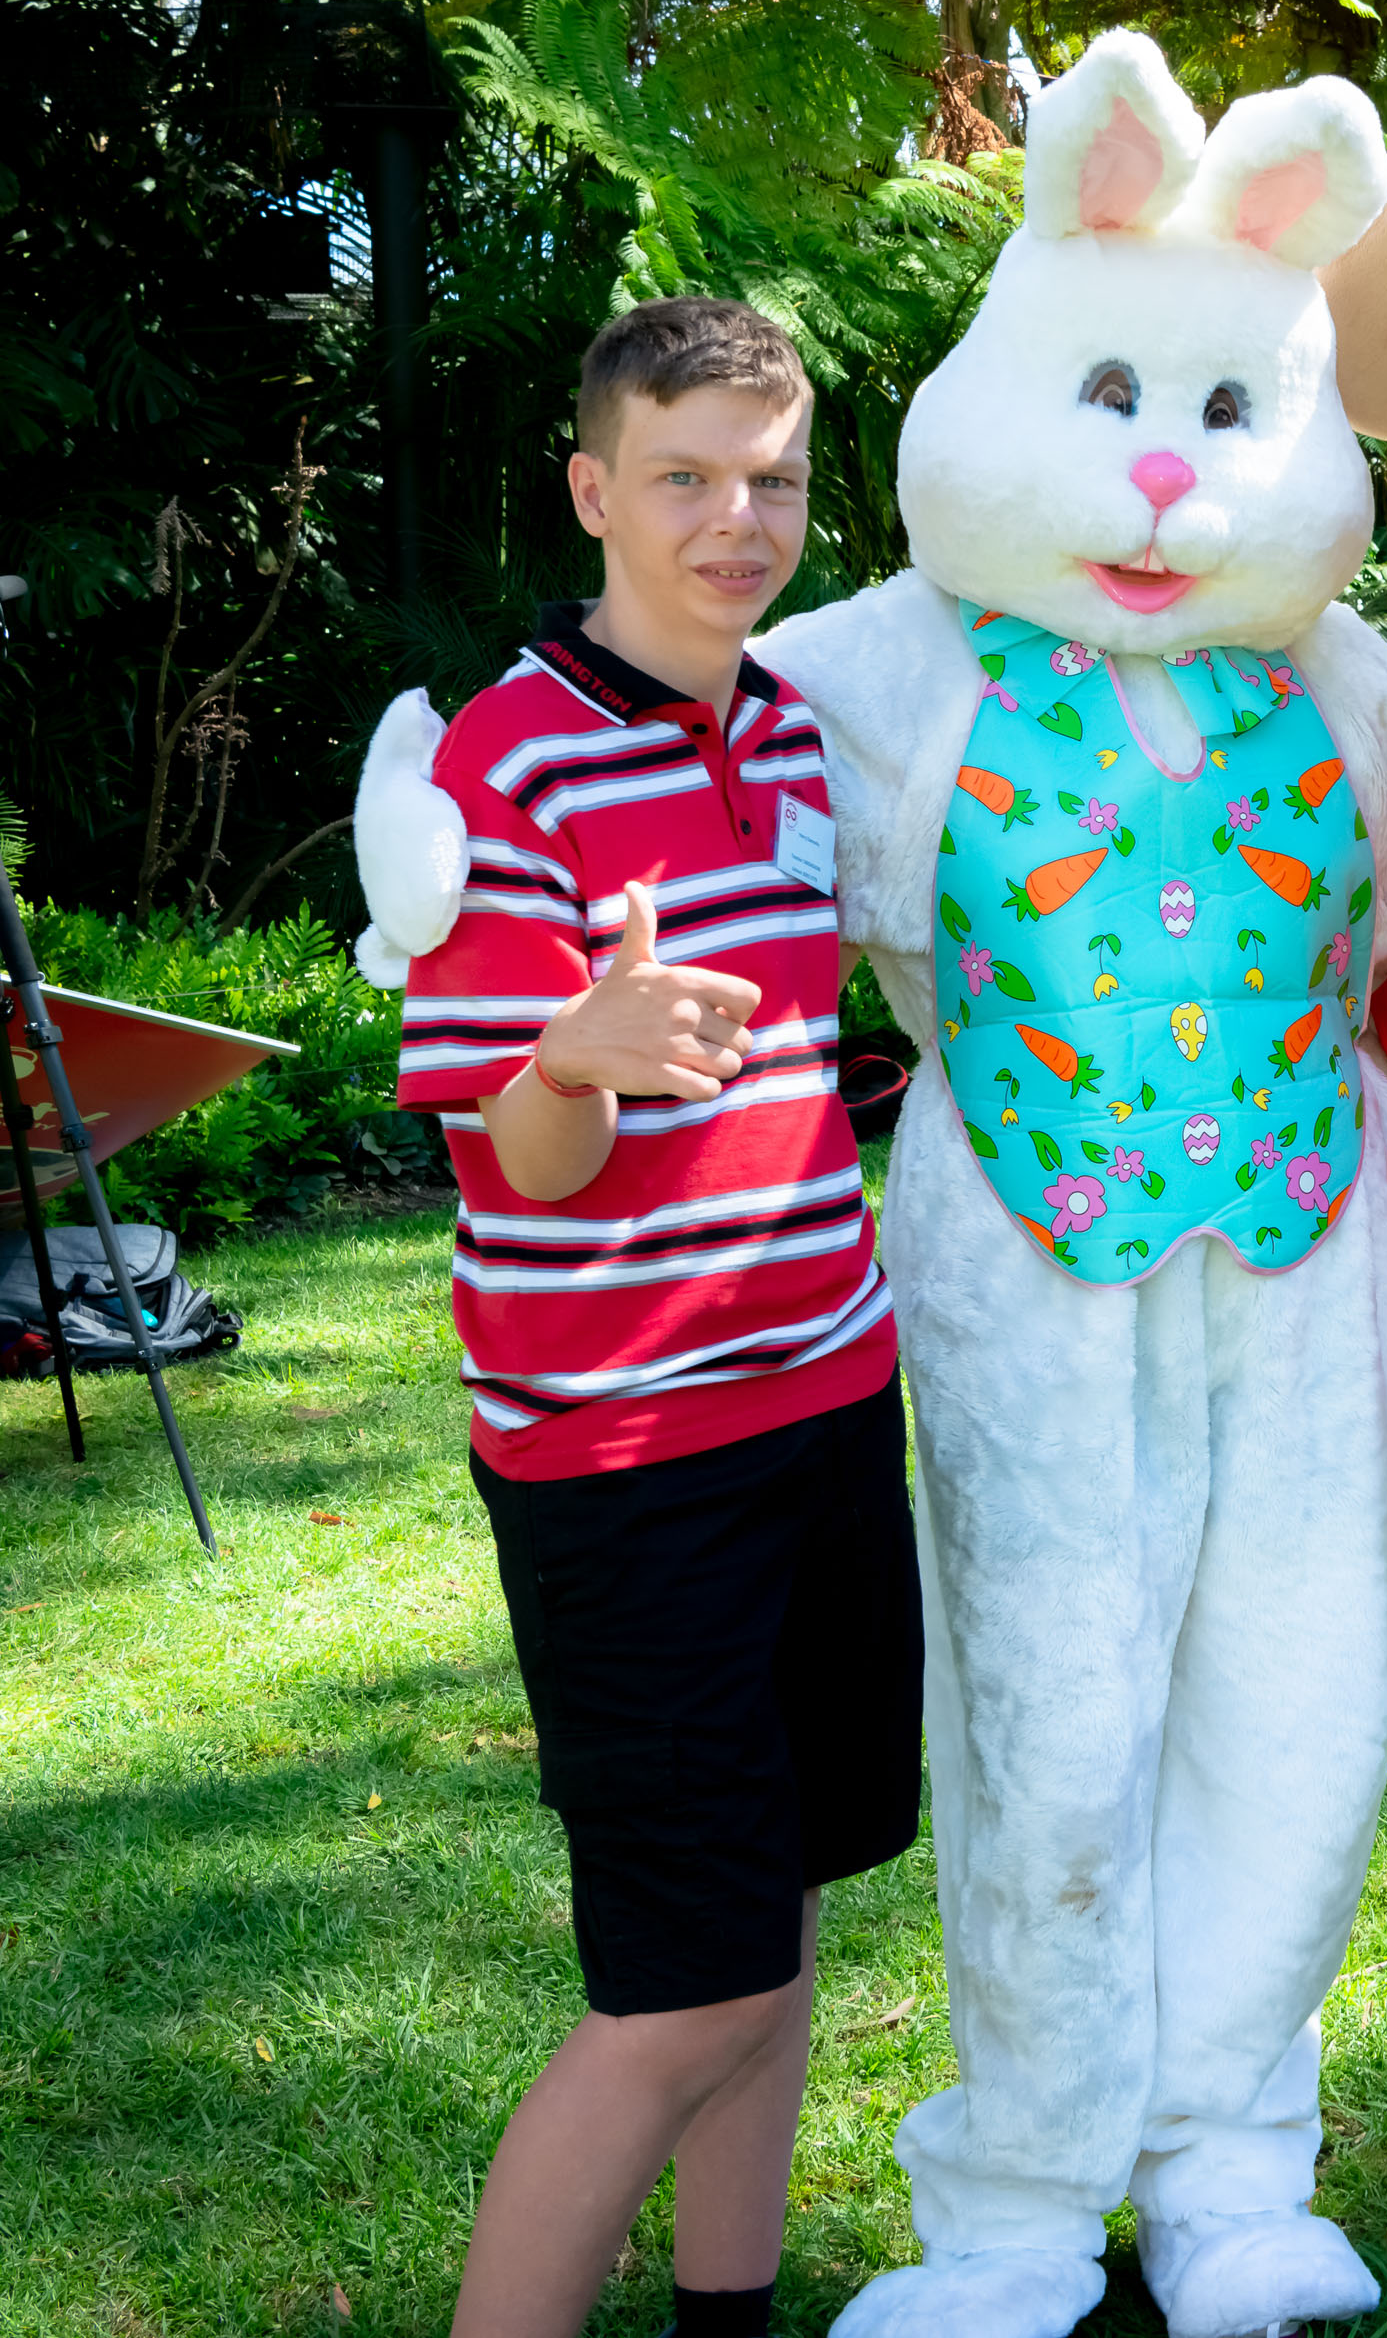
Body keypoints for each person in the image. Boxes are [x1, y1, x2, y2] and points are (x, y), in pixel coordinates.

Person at [397, 296, 921, 2338]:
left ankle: (728, 2312)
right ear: (596, 488)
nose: (737, 517)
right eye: (688, 476)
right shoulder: (500, 757)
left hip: (824, 1404)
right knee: (675, 1988)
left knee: (773, 1925)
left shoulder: (788, 724)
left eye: (772, 479)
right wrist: (576, 1053)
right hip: (626, 1466)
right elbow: (510, 1162)